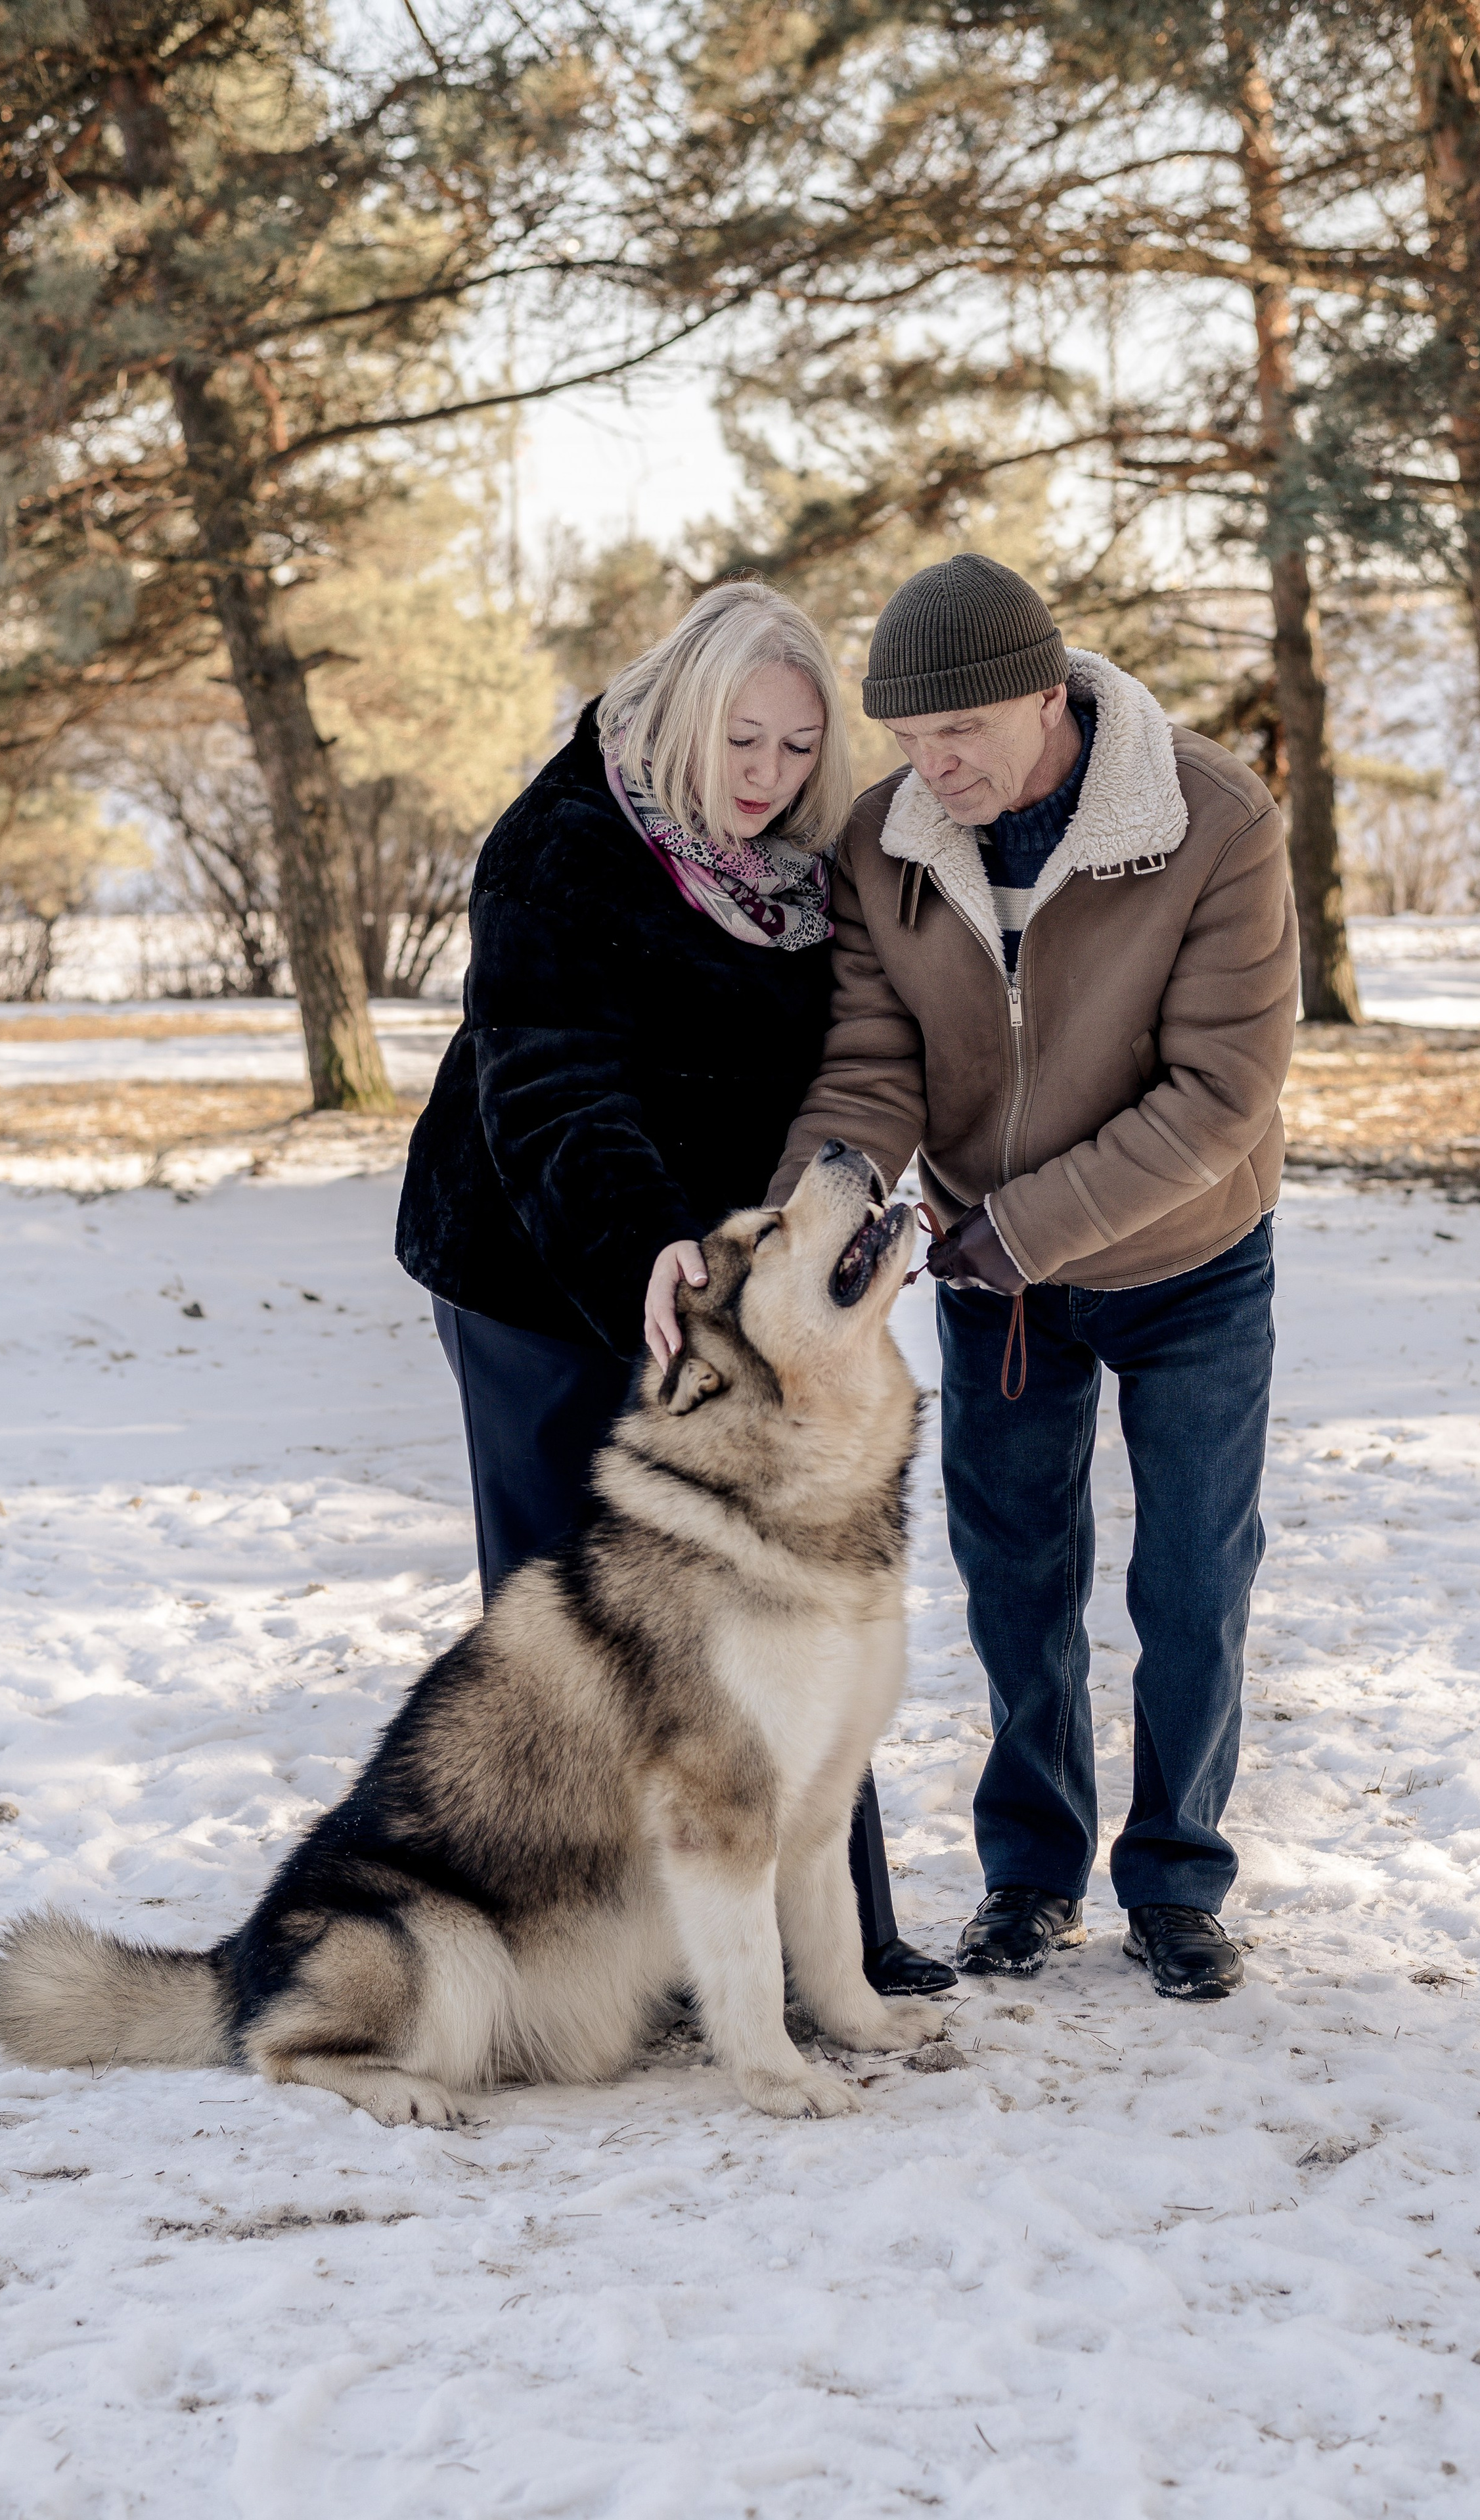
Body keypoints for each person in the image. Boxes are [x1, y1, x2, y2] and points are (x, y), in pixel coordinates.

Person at [648, 555, 1298, 2002]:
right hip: (994, 1275)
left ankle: (1177, 1879)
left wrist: (1015, 1225)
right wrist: (795, 1226)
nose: (930, 772)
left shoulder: (1209, 818)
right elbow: (872, 1067)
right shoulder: (889, 841)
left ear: (1045, 695)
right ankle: (1029, 1874)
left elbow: (1220, 1091)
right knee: (1016, 1578)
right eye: (905, 745)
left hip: (1187, 1256)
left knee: (1191, 1575)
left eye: (960, 738)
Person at [396, 580, 956, 1999]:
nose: (764, 779)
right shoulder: (563, 841)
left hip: (725, 1290)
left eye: (793, 747)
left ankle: (838, 1947)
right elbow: (549, 1071)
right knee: (581, 1626)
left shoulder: (804, 869)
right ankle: (589, 1957)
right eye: (740, 743)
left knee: (790, 1587)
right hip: (543, 1259)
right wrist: (641, 1237)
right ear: (684, 716)